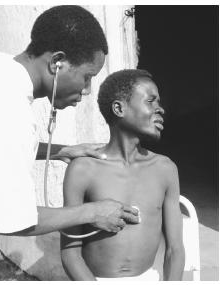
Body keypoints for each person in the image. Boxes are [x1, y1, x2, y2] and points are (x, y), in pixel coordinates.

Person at [0, 6, 139, 240]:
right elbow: (14, 220)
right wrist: (92, 211)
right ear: (57, 62)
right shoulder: (12, 112)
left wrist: (62, 151)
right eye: (87, 77)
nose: (88, 90)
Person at [60, 69, 185, 281]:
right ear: (119, 108)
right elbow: (71, 254)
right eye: (151, 101)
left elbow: (175, 249)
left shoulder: (165, 169)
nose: (160, 109)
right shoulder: (83, 170)